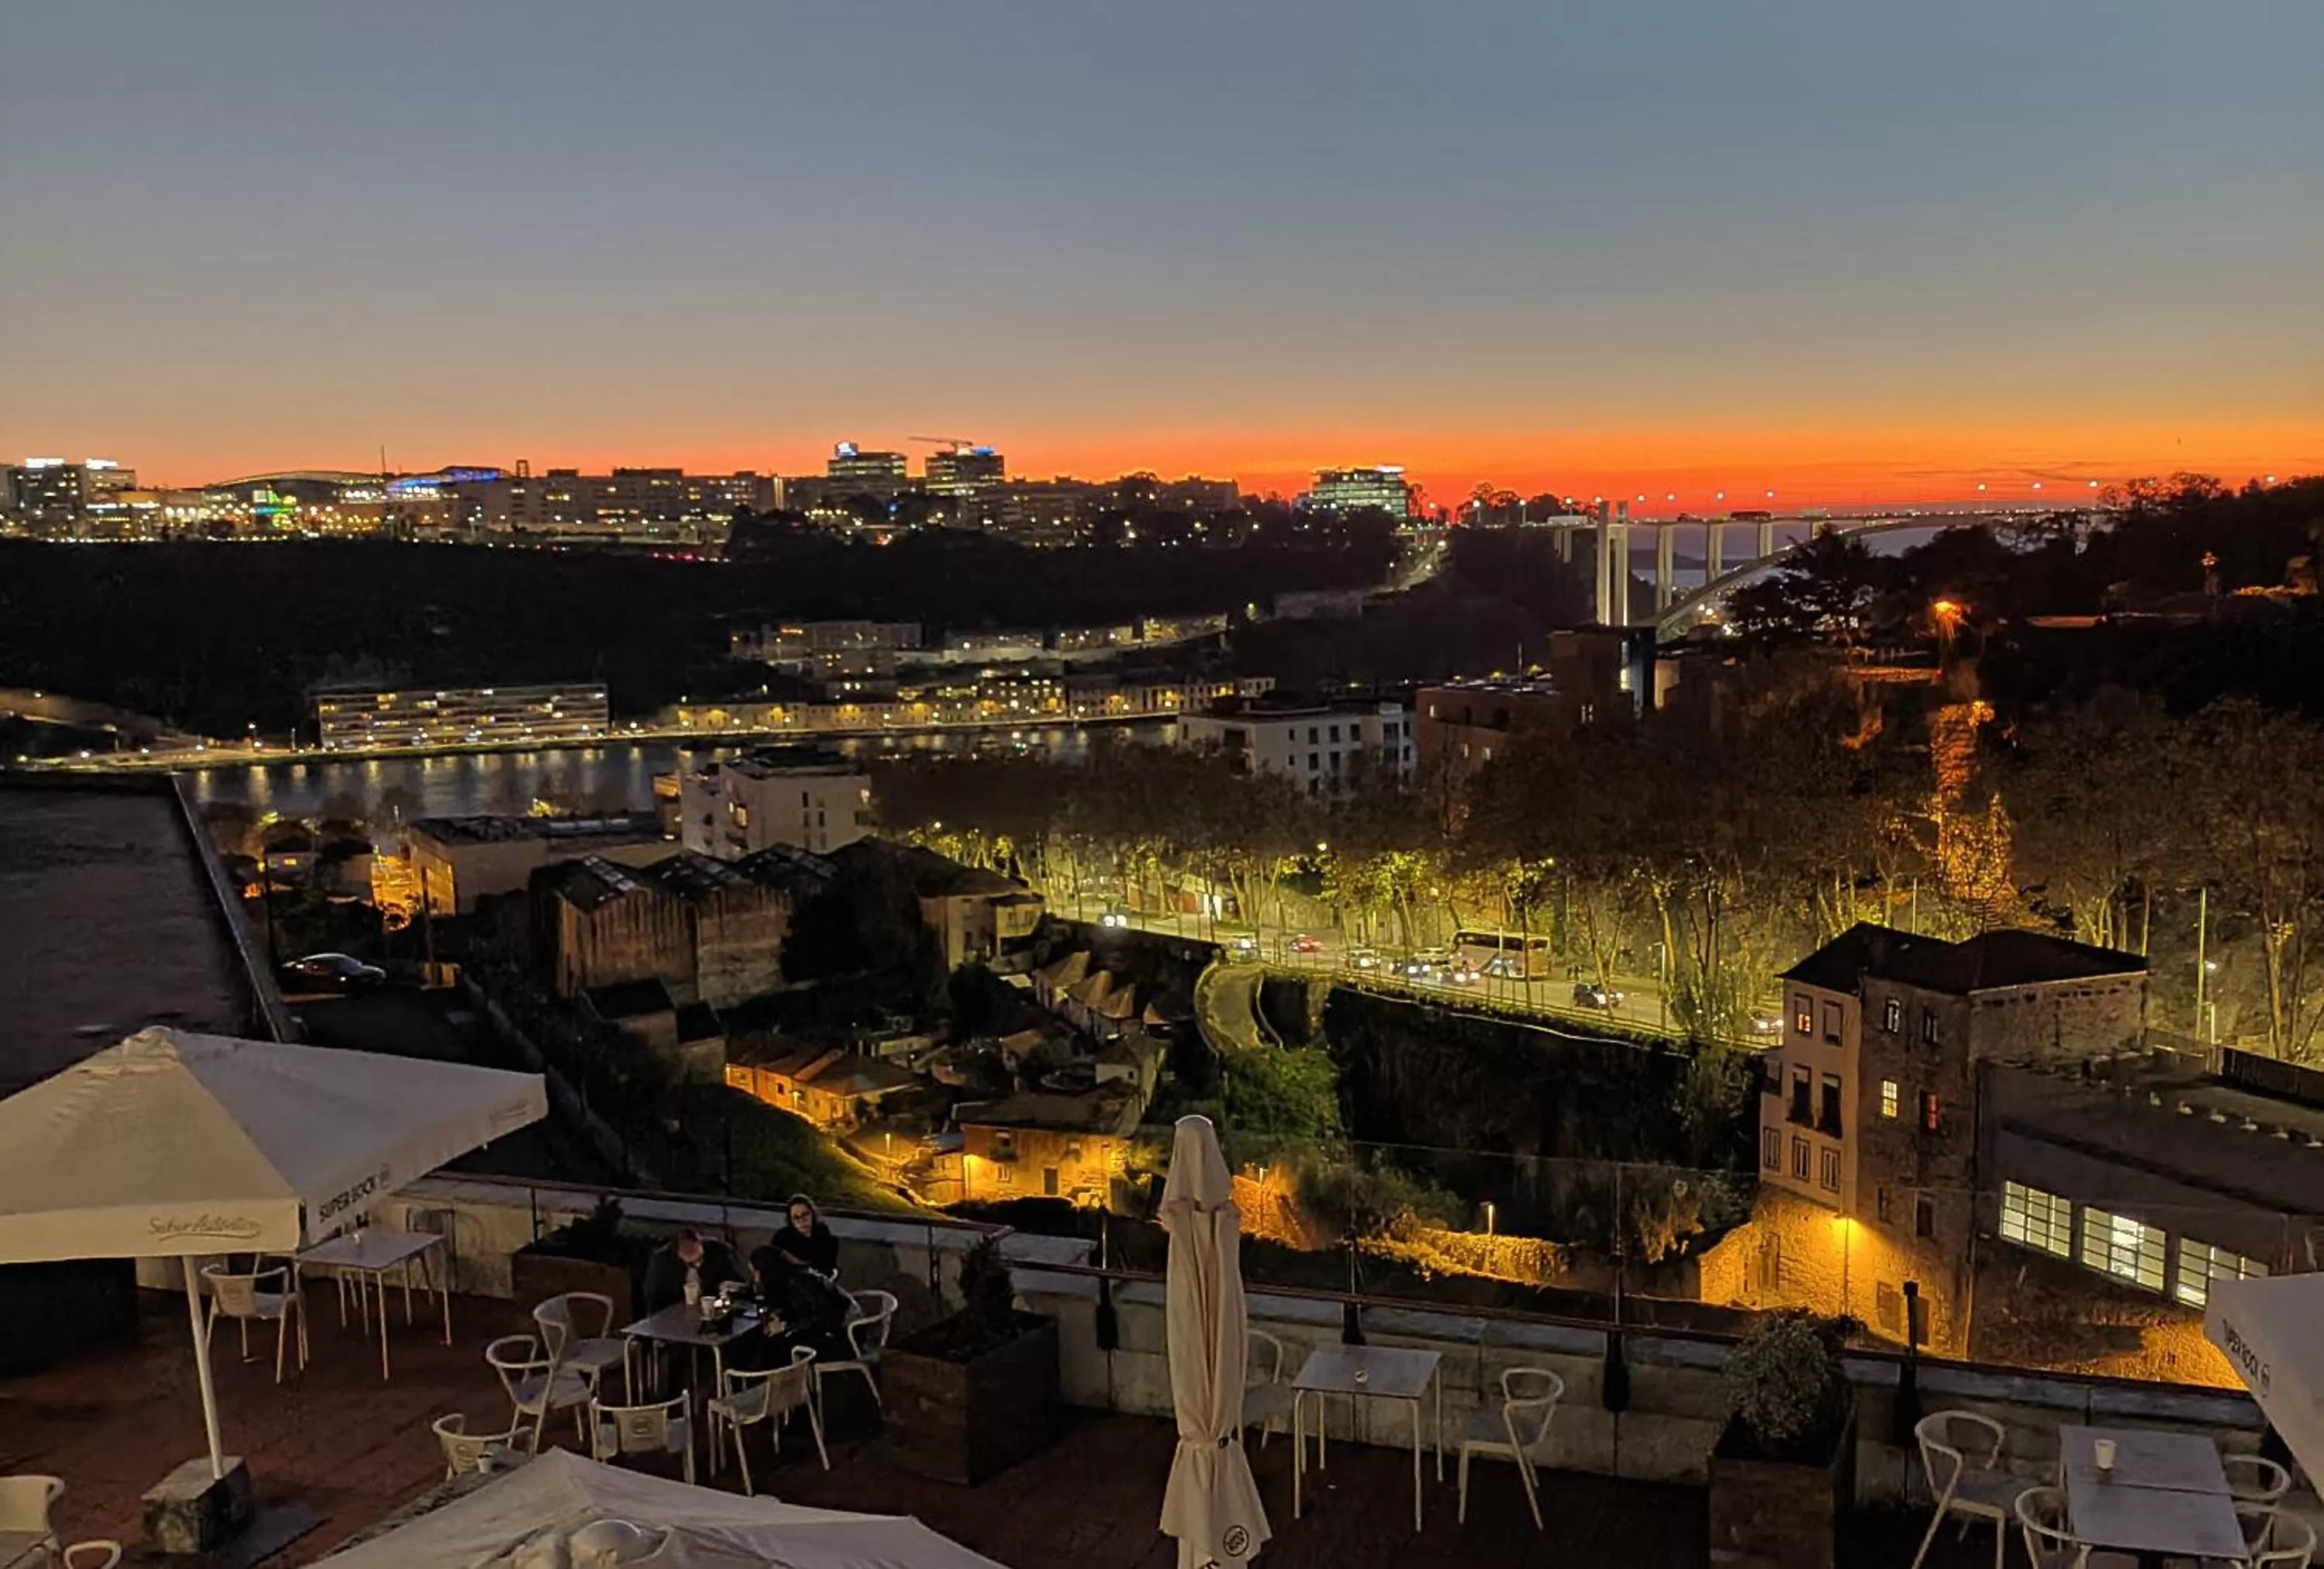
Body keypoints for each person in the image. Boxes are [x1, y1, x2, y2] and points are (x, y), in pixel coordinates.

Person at [642, 1226, 745, 1312]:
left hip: (712, 1307)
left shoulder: (718, 1253)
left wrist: (728, 1287)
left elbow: (738, 1283)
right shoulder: (661, 1262)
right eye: (690, 1263)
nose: (696, 1264)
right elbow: (653, 1297)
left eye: (698, 1260)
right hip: (676, 1313)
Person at [761, 1194, 840, 1278]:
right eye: (796, 1218)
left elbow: (828, 1270)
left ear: (812, 1214)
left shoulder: (825, 1237)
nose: (802, 1220)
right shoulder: (782, 1238)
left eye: (805, 1214)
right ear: (791, 1220)